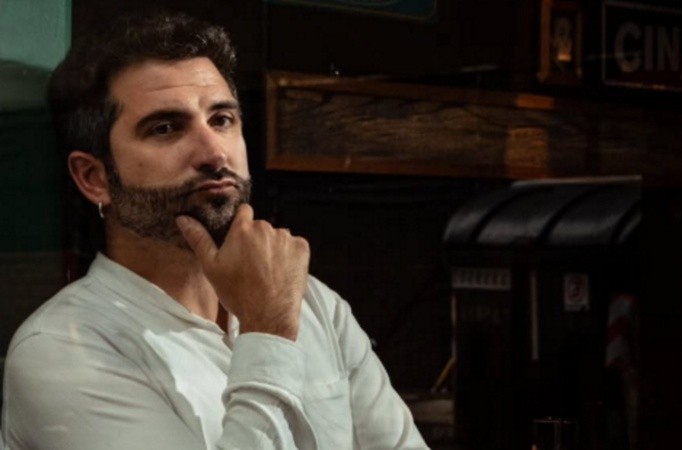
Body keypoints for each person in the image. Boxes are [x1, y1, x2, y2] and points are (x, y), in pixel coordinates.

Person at [0, 12, 428, 450]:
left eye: (221, 119)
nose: (214, 153)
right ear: (95, 178)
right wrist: (268, 334)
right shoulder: (61, 348)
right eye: (166, 128)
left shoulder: (312, 303)